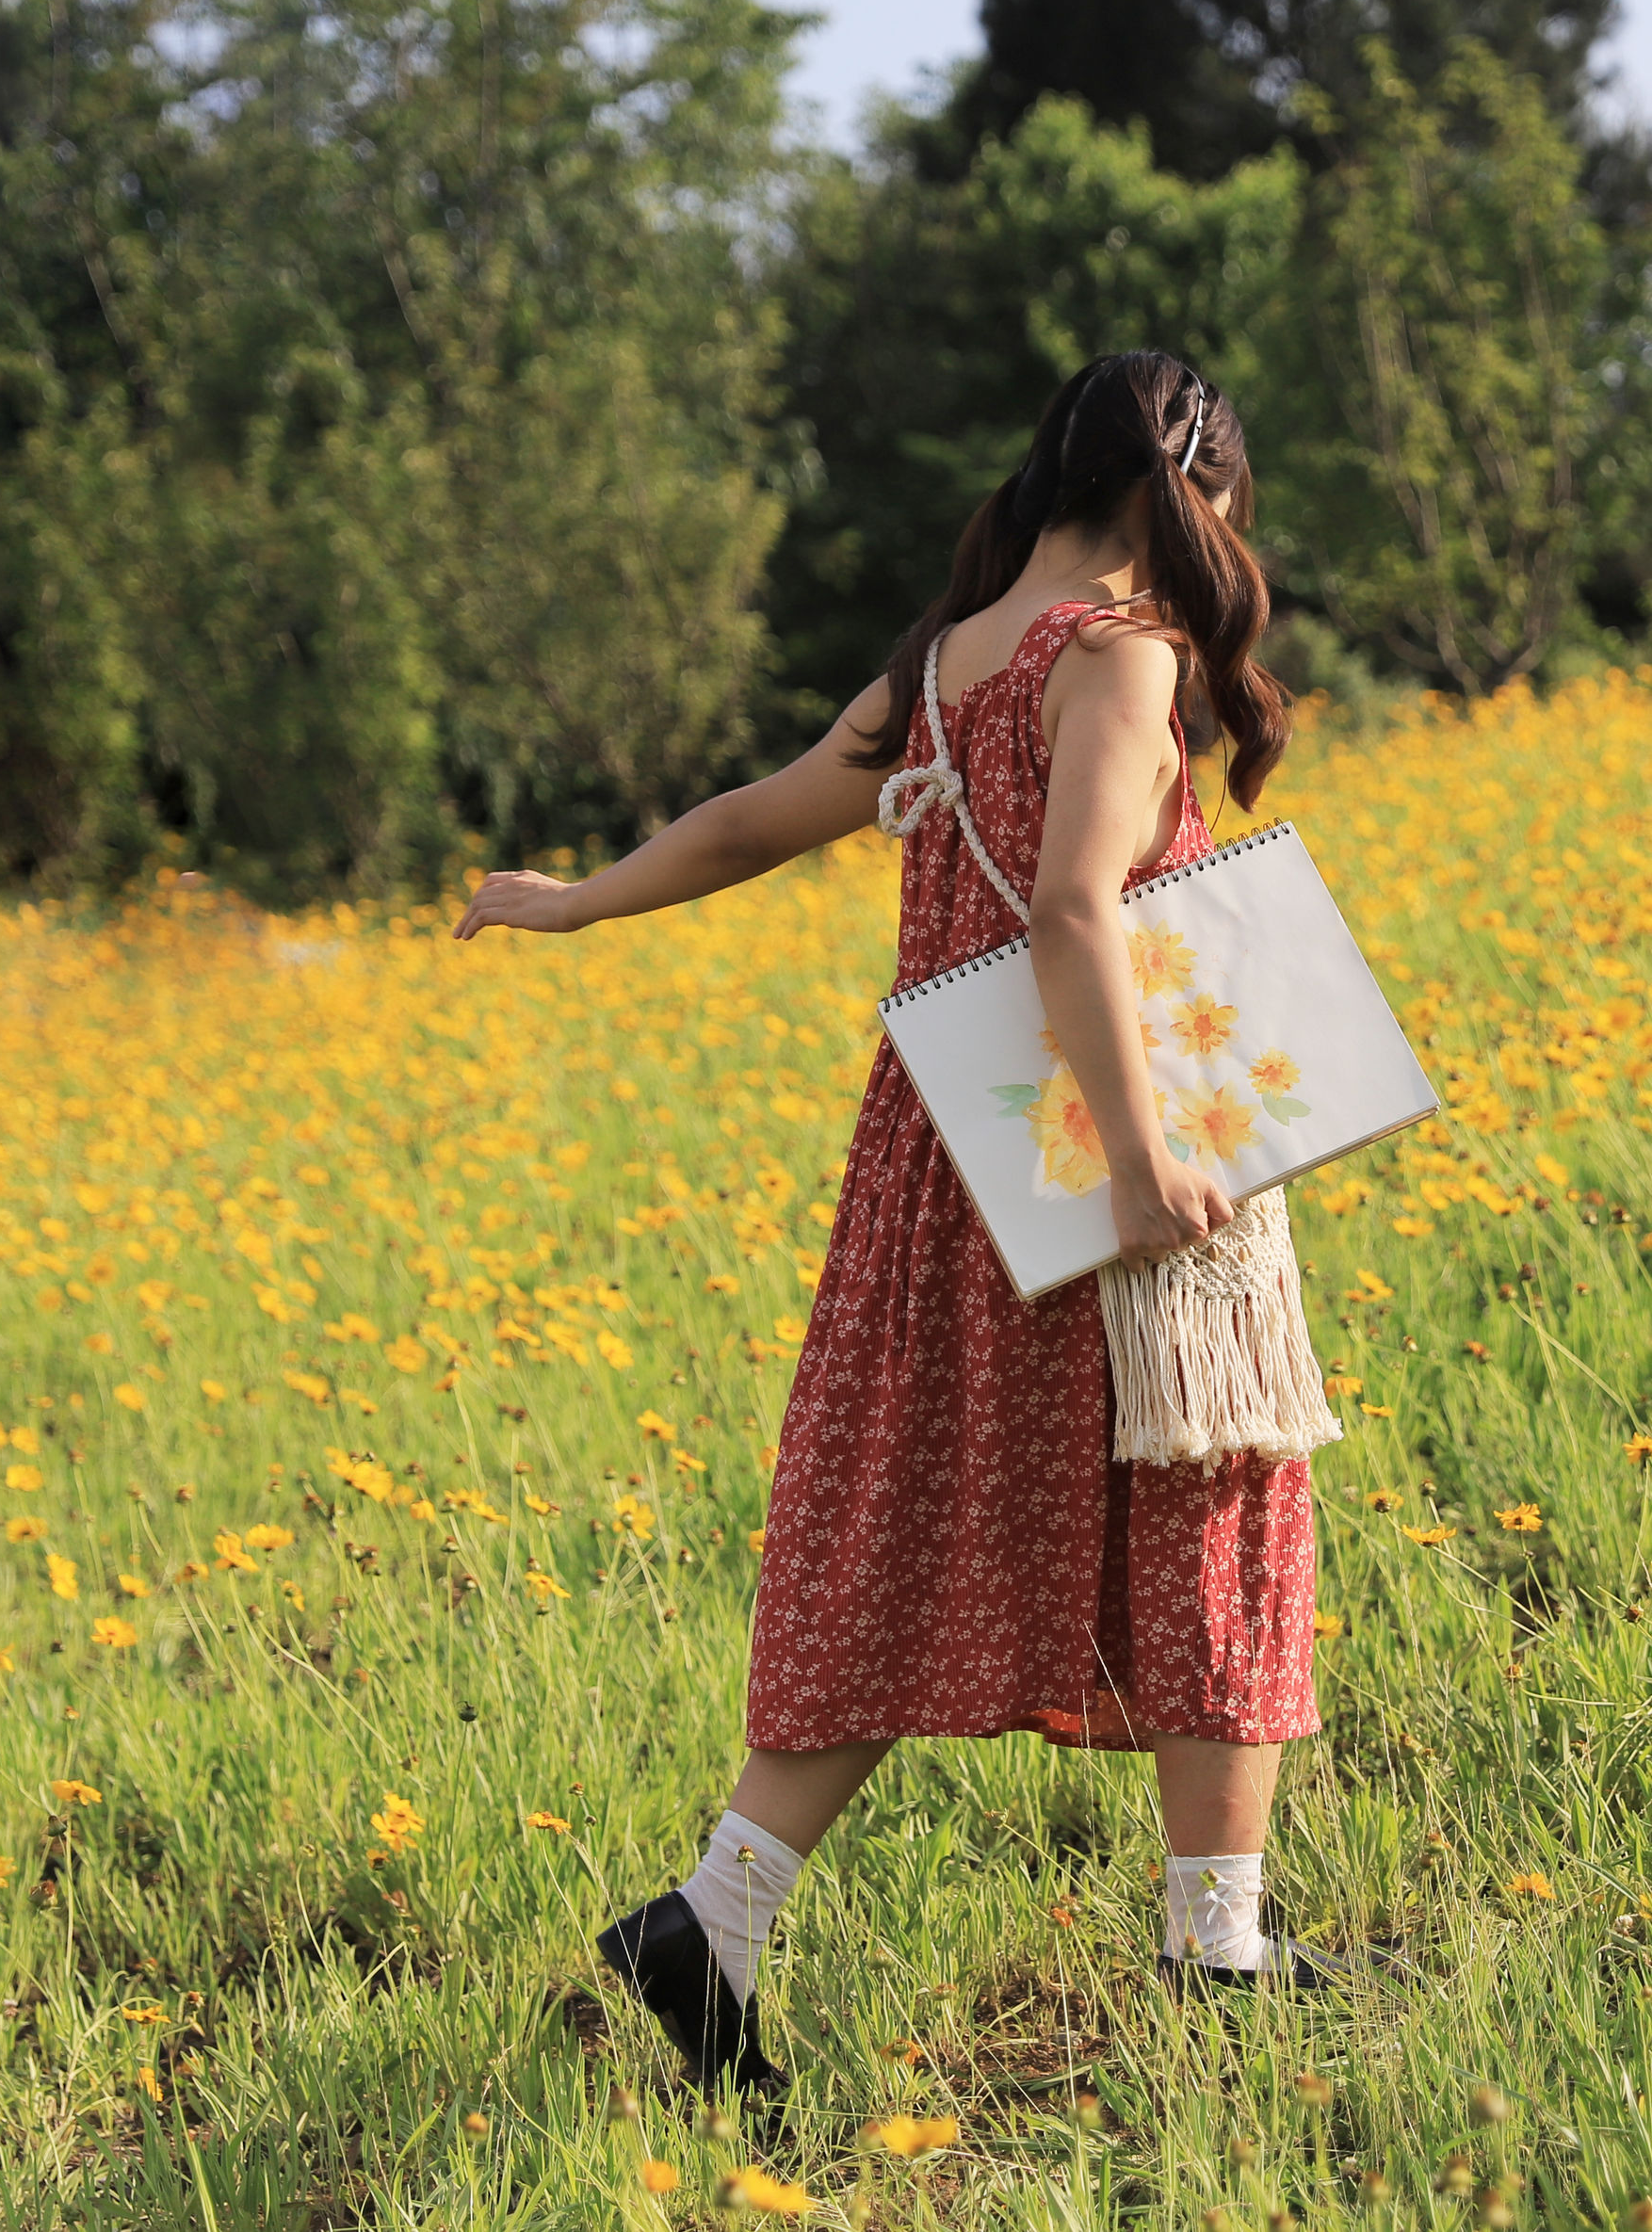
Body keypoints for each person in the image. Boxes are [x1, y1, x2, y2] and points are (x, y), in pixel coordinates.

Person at [453, 351, 1333, 2099]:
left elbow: (741, 828)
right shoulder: (1126, 654)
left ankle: (713, 1917)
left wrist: (571, 902)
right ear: (1203, 494)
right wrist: (1151, 1161)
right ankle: (1219, 1942)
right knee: (1216, 1489)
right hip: (1099, 1150)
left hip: (945, 1167)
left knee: (905, 1526)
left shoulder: (936, 678)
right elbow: (1079, 907)